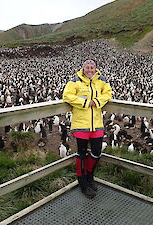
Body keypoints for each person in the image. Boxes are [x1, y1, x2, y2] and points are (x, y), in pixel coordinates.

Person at [63, 59, 112, 199]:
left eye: (92, 67)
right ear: (83, 68)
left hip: (96, 123)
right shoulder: (75, 81)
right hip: (81, 124)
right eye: (87, 67)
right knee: (82, 153)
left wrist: (96, 102)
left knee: (96, 151)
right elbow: (67, 95)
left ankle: (89, 175)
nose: (89, 70)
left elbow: (108, 93)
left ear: (95, 69)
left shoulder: (102, 80)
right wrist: (84, 102)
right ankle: (83, 182)